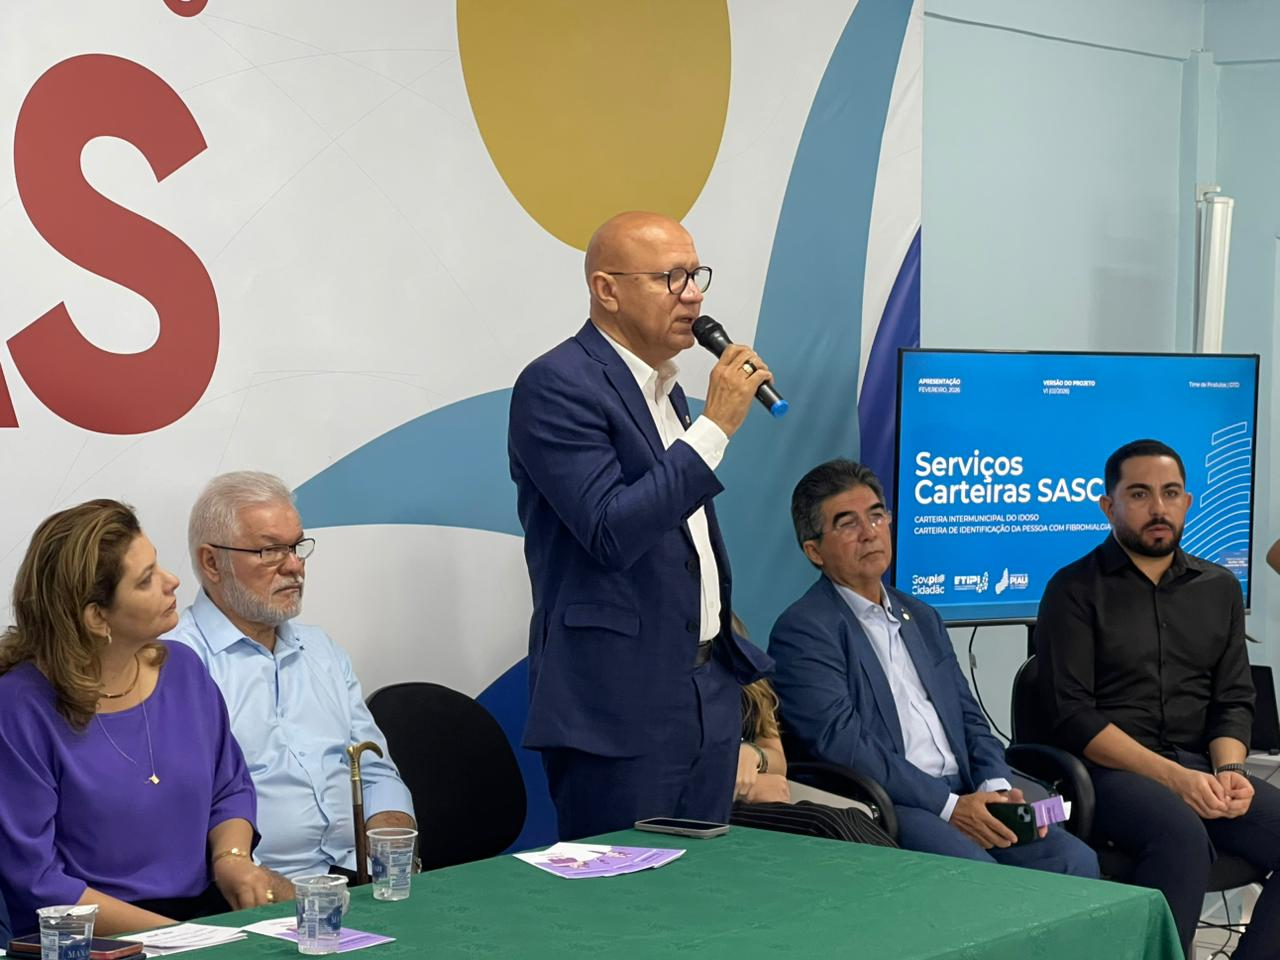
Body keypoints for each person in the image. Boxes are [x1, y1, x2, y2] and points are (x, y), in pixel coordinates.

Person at [508, 210, 774, 840]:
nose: (694, 295)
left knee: (702, 887)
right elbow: (611, 530)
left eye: (696, 275)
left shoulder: (664, 390)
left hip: (703, 691)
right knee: (625, 890)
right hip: (618, 704)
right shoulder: (557, 384)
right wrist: (715, 428)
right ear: (607, 289)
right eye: (670, 278)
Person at [769, 459, 1098, 877]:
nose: (869, 532)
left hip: (968, 788)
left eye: (876, 516)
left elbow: (969, 717)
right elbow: (843, 744)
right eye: (847, 524)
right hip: (894, 802)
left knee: (1075, 861)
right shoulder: (804, 629)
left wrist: (994, 786)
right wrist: (950, 807)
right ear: (814, 551)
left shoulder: (921, 616)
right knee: (979, 877)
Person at [1036, 439, 1280, 959]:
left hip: (1201, 767)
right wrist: (1175, 779)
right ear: (1109, 506)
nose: (1158, 508)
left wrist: (1230, 772)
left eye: (1170, 493)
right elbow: (1073, 716)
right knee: (1181, 835)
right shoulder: (1072, 589)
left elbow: (1234, 698)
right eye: (1139, 494)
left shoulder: (1218, 587)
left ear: (1187, 502)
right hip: (1106, 773)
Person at [0, 500, 271, 937]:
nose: (172, 580)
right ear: (96, 617)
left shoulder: (183, 669)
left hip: (205, 919)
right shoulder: (19, 708)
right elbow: (38, 882)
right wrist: (179, 937)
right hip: (92, 936)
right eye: (146, 580)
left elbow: (231, 788)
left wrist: (232, 859)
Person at [167, 471, 415, 880]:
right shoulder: (175, 664)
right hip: (252, 893)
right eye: (270, 551)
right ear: (212, 562)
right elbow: (181, 811)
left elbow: (374, 770)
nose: (295, 566)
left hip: (359, 876)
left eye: (297, 547)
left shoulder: (322, 651)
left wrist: (391, 841)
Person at [731, 678, 897, 847]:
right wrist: (744, 790)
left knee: (853, 818)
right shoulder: (712, 682)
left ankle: (904, 864)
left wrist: (756, 754)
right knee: (824, 822)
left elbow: (778, 761)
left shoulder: (749, 675)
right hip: (721, 809)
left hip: (761, 797)